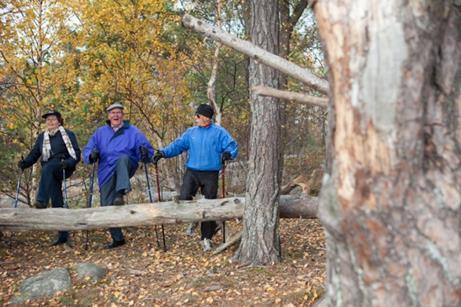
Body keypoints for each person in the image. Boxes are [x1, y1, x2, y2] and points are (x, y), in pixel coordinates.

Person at [153, 103, 238, 251]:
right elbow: (178, 145)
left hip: (211, 173)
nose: (195, 118)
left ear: (205, 117)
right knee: (185, 197)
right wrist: (163, 153)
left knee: (209, 205)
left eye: (198, 116)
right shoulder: (191, 132)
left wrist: (228, 153)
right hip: (192, 172)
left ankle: (206, 237)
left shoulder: (219, 132)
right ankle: (194, 220)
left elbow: (231, 145)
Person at [83, 102, 154, 249]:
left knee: (122, 158)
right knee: (106, 206)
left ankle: (121, 192)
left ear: (122, 115)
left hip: (126, 165)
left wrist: (145, 153)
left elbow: (148, 149)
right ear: (108, 116)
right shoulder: (100, 132)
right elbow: (88, 150)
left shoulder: (133, 131)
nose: (116, 115)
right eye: (112, 113)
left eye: (118, 112)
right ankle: (118, 238)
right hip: (106, 171)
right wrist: (91, 155)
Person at [18, 110, 81, 246]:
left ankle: (41, 200)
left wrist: (68, 163)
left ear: (59, 121)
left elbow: (76, 153)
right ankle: (63, 235)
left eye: (53, 119)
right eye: (48, 120)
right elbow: (35, 154)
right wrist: (25, 163)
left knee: (48, 167)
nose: (50, 122)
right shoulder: (42, 137)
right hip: (49, 171)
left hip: (64, 165)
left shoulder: (67, 134)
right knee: (57, 199)